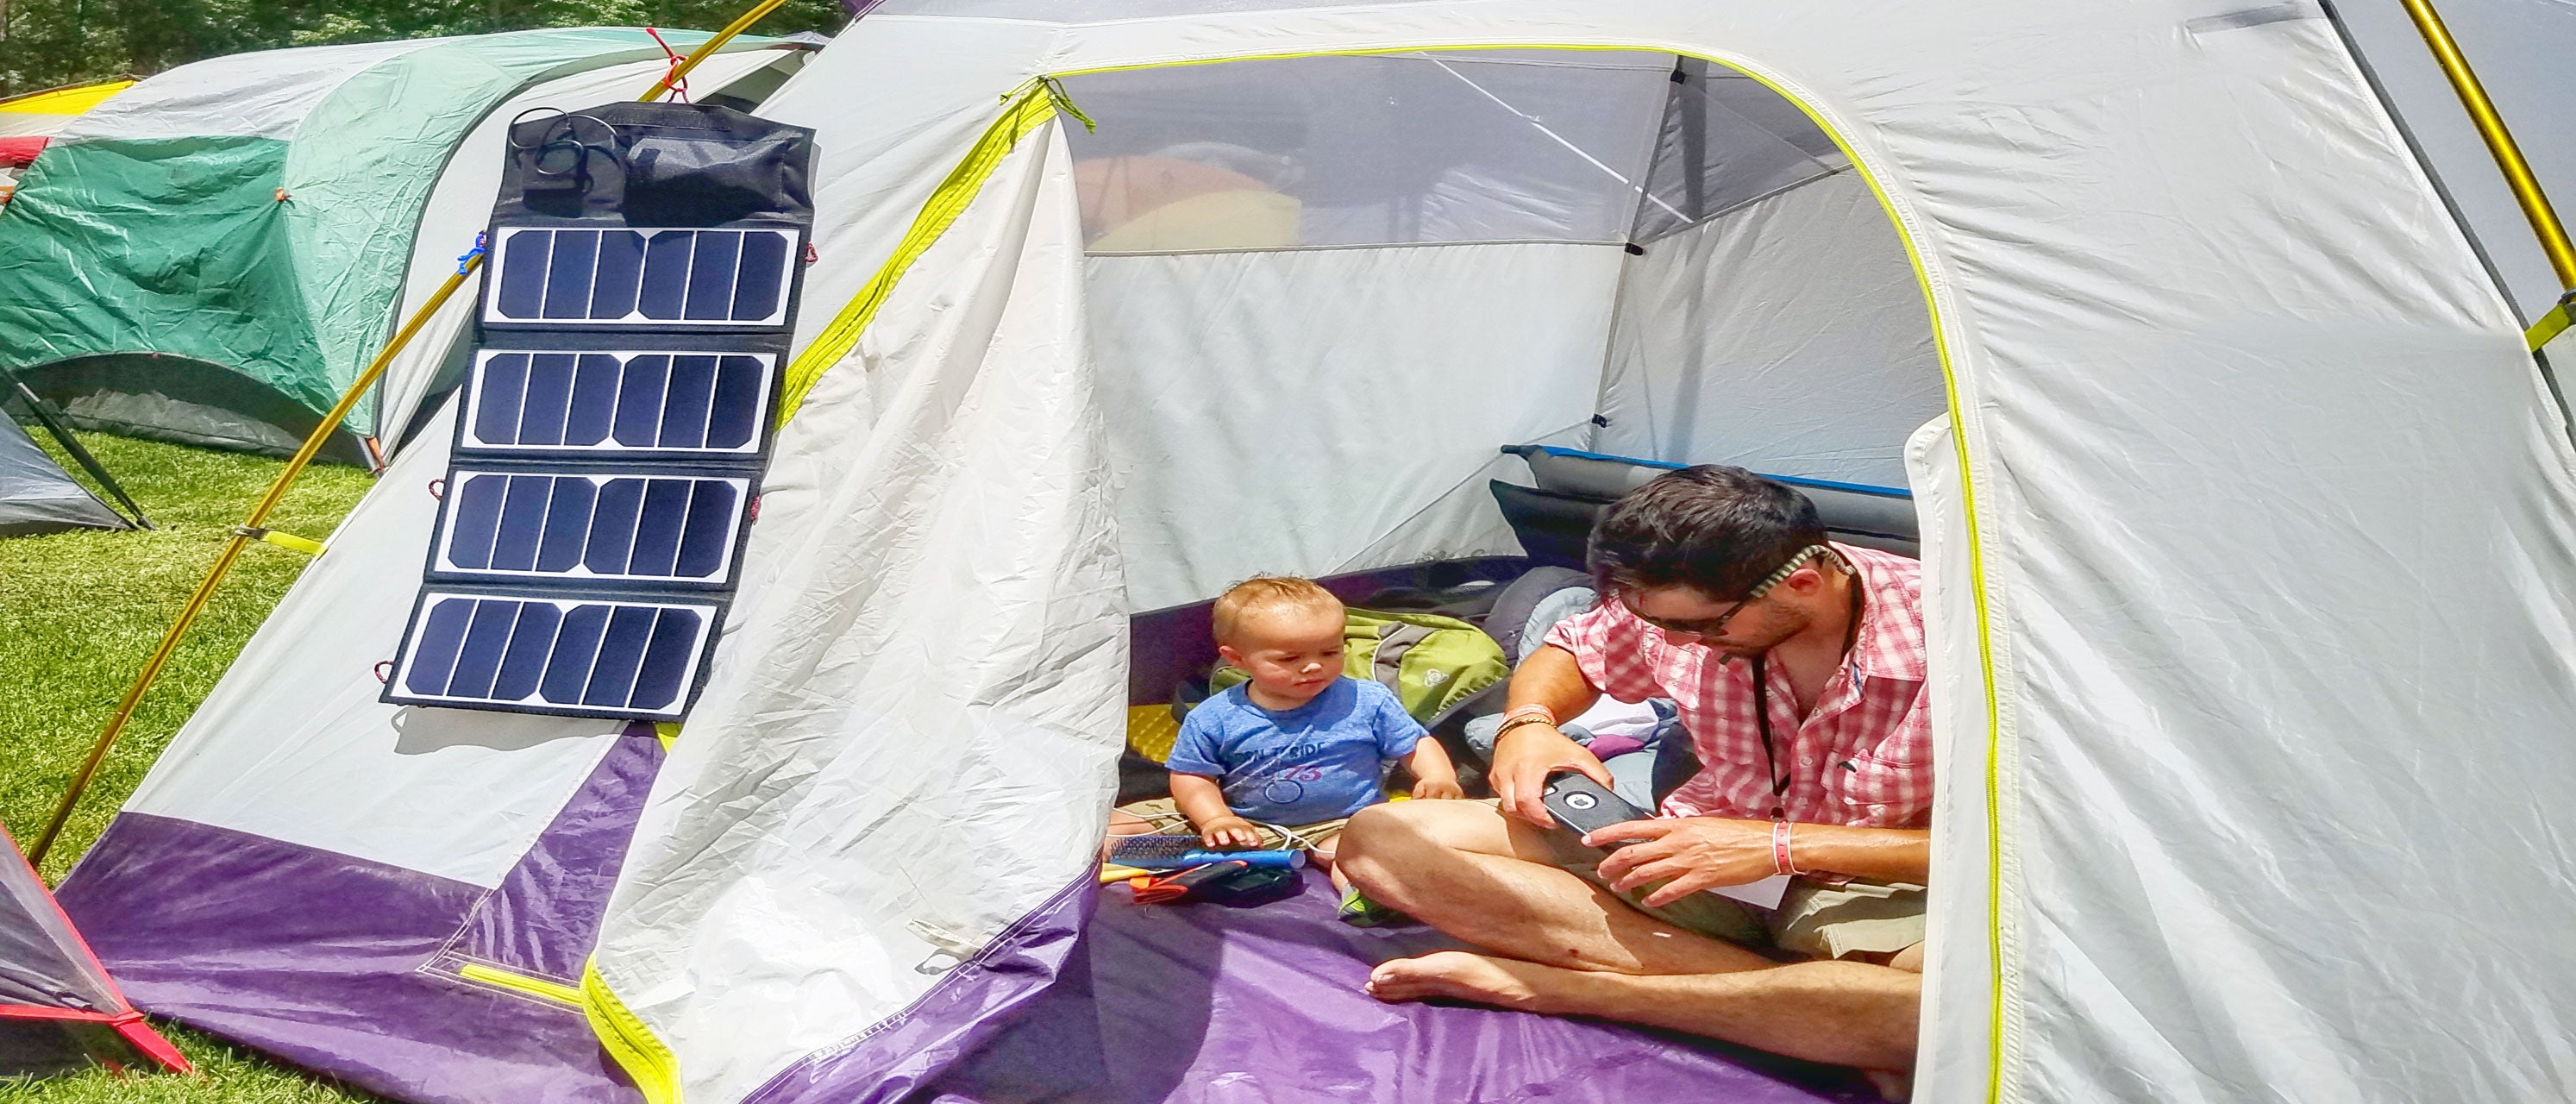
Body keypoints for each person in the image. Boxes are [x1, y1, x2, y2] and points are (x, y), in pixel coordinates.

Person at [1336, 466, 1932, 1097]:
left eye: (1698, 629)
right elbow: (1572, 648)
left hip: (1873, 887)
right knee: (1383, 838)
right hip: (1687, 849)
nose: (1678, 643)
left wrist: (1780, 847)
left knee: (1941, 1009)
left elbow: (2028, 865)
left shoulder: (1966, 645)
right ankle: (1799, 1006)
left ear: (1803, 584)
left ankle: (1579, 989)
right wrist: (1529, 724)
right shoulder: (1682, 602)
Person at [1116, 576, 1465, 888]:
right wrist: (1215, 817)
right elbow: (1192, 776)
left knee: (1360, 863)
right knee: (1113, 830)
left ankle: (1374, 902)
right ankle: (1185, 851)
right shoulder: (1215, 716)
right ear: (1237, 659)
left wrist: (1438, 777)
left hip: (1344, 822)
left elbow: (1415, 744)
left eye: (1330, 651)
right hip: (1243, 822)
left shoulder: (1367, 700)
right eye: (1289, 659)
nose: (1314, 665)